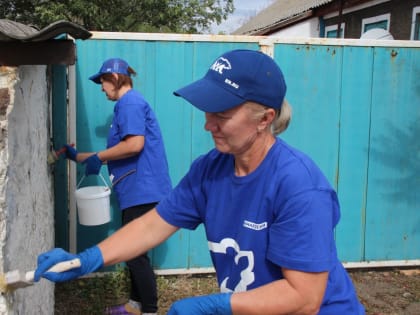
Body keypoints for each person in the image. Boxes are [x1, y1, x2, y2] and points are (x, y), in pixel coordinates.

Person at [35, 49, 365, 314]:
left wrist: (215, 306)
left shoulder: (299, 185)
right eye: (207, 112)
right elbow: (152, 226)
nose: (209, 126)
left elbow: (304, 299)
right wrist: (90, 258)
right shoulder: (210, 169)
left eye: (221, 115)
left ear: (265, 119)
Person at [62, 57, 172, 315]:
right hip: (136, 189)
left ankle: (149, 310)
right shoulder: (127, 104)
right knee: (134, 250)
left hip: (143, 188)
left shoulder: (129, 103)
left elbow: (134, 145)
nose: (101, 88)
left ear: (113, 78)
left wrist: (99, 158)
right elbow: (118, 149)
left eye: (102, 82)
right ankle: (135, 305)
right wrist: (76, 156)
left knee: (134, 253)